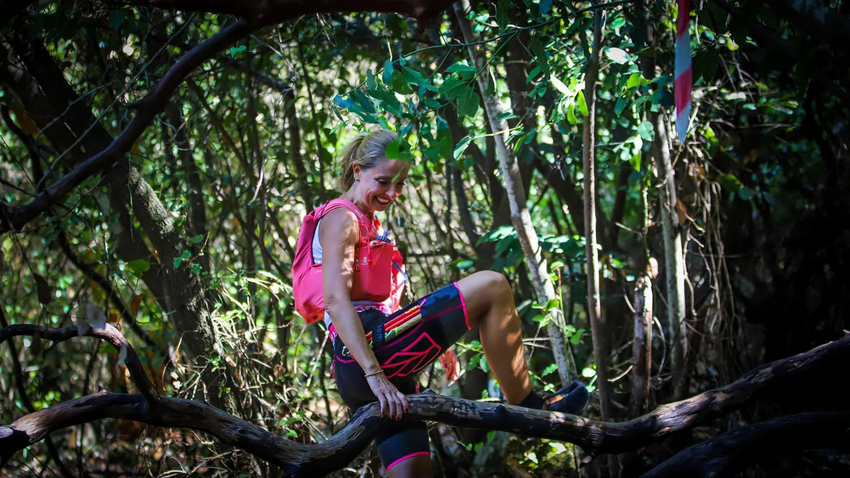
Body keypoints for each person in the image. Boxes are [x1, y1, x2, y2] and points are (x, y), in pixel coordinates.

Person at [302, 129, 588, 478]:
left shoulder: (370, 224)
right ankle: (528, 408)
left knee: (414, 473)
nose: (392, 193)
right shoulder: (342, 217)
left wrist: (437, 342)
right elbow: (334, 300)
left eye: (401, 184)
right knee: (494, 285)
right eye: (383, 181)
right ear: (357, 170)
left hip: (377, 359)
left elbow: (385, 306)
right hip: (368, 359)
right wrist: (375, 374)